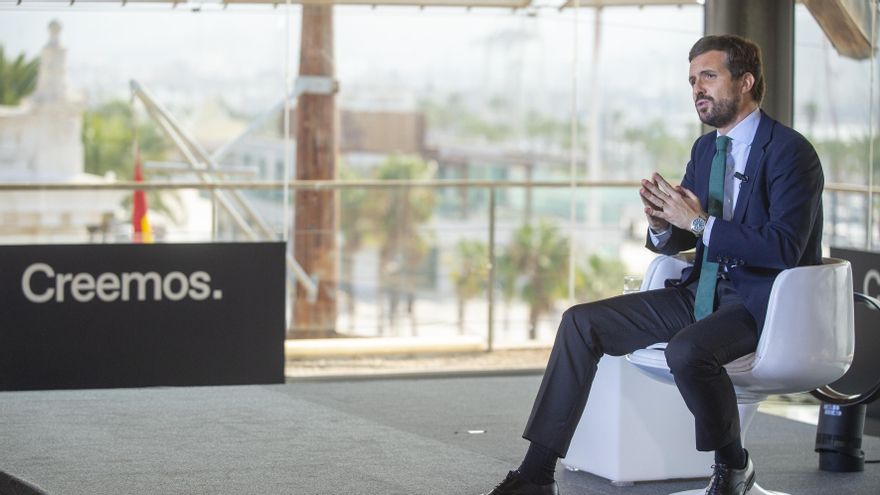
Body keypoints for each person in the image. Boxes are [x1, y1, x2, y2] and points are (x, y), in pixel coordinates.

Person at [482, 34, 824, 495]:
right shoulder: (706, 150)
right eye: (692, 80)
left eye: (708, 76)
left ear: (745, 82)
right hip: (699, 292)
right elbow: (682, 237)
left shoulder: (790, 152)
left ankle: (733, 466)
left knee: (688, 350)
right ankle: (536, 474)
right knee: (580, 323)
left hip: (758, 302)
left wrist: (698, 223)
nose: (697, 89)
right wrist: (662, 223)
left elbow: (784, 247)